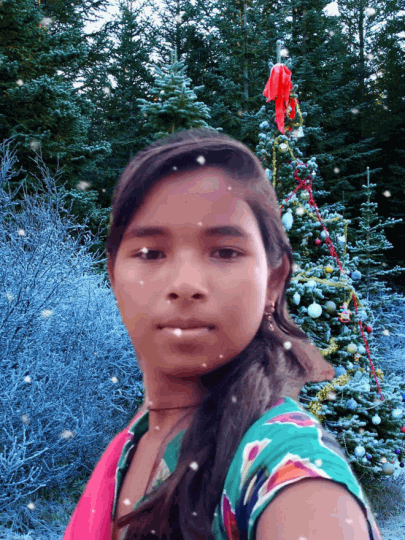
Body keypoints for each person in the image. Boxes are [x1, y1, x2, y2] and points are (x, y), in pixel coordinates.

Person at [63, 127, 382, 540]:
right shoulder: (137, 438)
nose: (185, 284)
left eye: (225, 252)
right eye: (150, 253)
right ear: (113, 277)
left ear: (273, 280)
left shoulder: (292, 478)